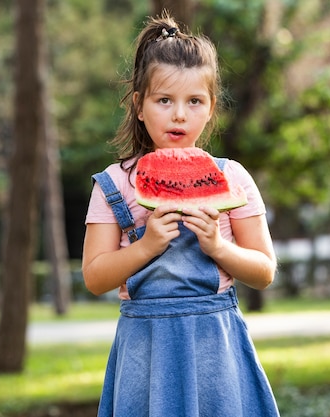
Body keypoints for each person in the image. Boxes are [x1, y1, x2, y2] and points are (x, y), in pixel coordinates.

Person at [82, 13, 280, 417]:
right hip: (145, 347)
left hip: (216, 345)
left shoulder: (232, 178)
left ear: (211, 110)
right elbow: (95, 277)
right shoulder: (113, 184)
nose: (179, 115)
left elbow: (264, 271)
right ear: (139, 105)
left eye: (195, 101)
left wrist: (218, 246)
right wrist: (147, 246)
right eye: (164, 101)